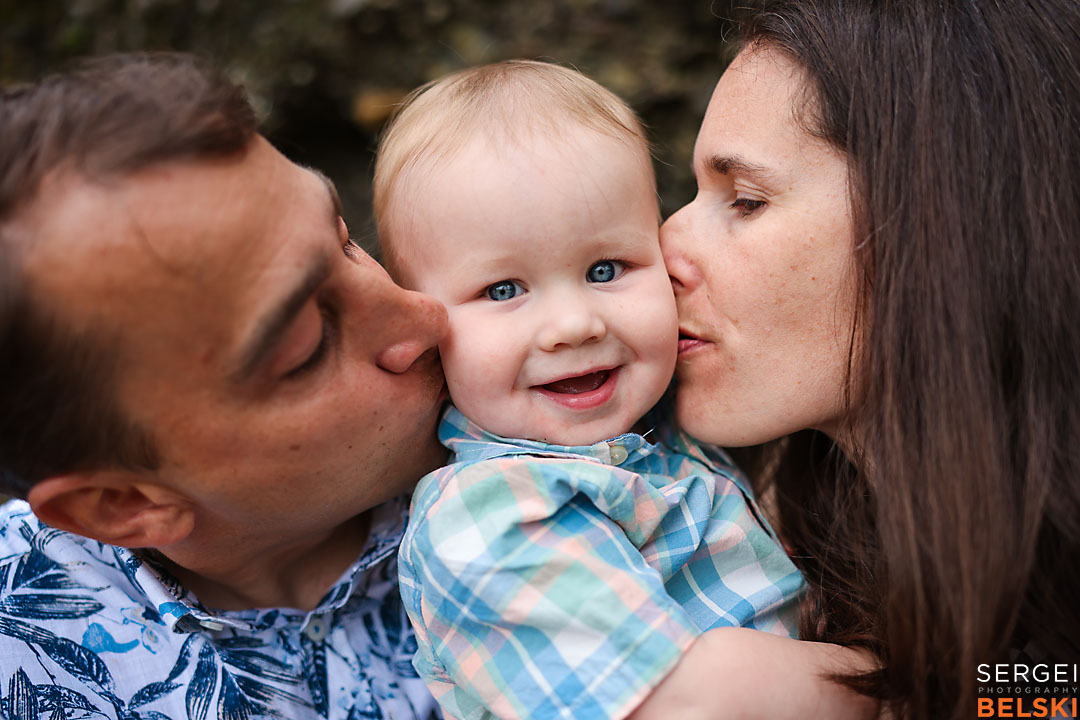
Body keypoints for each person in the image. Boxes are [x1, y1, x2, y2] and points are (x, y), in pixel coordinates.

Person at [643, 1, 1080, 718]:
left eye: (745, 200)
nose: (663, 249)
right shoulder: (788, 562)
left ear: (948, 219)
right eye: (693, 195)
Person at [0, 53, 450, 719]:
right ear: (124, 502)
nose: (428, 316)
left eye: (348, 241)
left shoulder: (545, 409)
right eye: (308, 347)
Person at [373, 60, 804, 720]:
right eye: (503, 290)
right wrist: (919, 679)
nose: (574, 325)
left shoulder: (667, 422)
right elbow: (677, 707)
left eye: (606, 269)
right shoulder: (491, 517)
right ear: (425, 328)